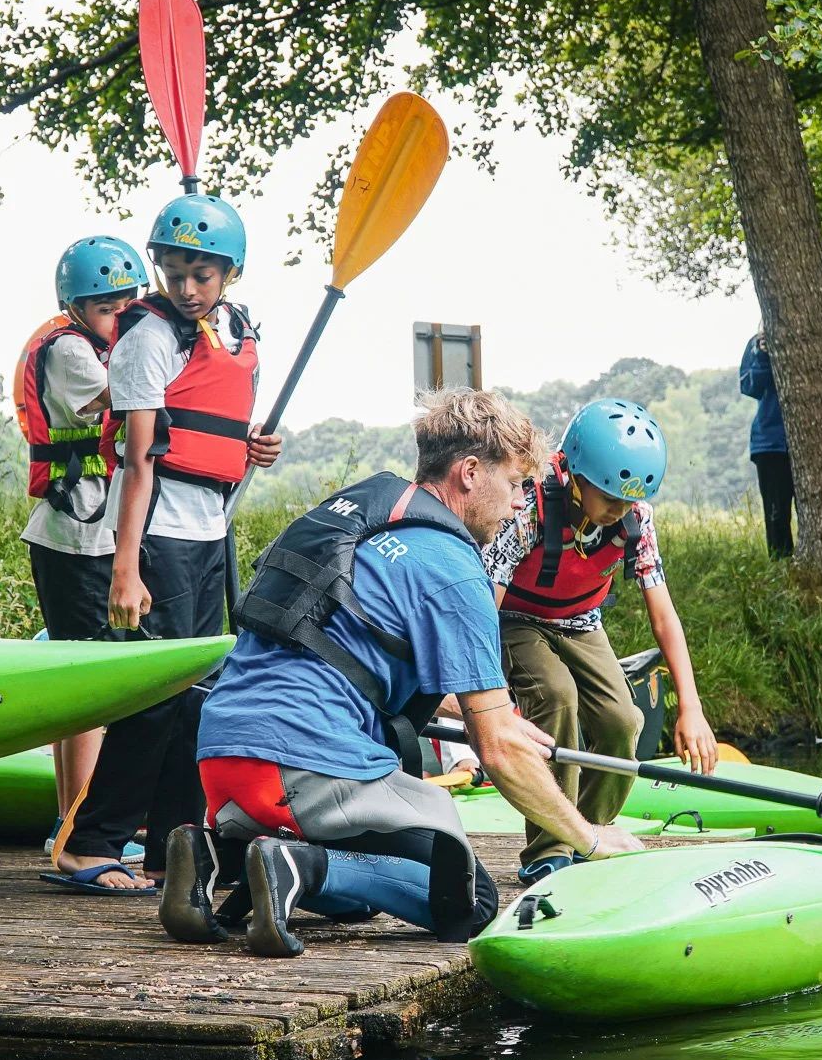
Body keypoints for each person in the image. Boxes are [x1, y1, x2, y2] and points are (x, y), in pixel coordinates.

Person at [159, 389, 646, 956]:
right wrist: (588, 839)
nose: (519, 503)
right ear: (469, 473)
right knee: (469, 898)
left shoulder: (354, 516)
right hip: (302, 767)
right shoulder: (456, 569)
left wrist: (503, 719)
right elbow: (499, 754)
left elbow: (347, 657)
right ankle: (298, 863)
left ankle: (214, 854)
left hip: (222, 760)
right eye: (514, 484)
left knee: (367, 886)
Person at [46, 193, 282, 894]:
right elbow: (139, 460)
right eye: (174, 272)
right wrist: (125, 567)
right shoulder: (149, 336)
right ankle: (87, 844)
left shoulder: (236, 331)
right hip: (159, 536)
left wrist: (254, 449)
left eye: (201, 275)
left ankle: (173, 850)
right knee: (156, 696)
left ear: (228, 275)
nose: (186, 288)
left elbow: (216, 426)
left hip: (212, 528)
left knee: (200, 697)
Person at [478, 397, 719, 884]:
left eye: (629, 501)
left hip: (580, 619)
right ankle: (548, 848)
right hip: (514, 620)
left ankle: (591, 832)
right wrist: (488, 695)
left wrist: (691, 707)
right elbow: (485, 606)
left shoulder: (636, 520)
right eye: (610, 498)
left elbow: (664, 617)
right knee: (557, 697)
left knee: (621, 719)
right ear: (574, 476)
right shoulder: (528, 508)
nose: (620, 511)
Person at [13, 235, 147, 865]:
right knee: (92, 688)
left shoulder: (93, 344)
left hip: (87, 533)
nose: (117, 318)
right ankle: (82, 829)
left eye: (127, 306)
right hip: (77, 535)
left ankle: (71, 822)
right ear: (77, 306)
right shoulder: (71, 351)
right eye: (105, 308)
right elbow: (129, 402)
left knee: (81, 686)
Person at [738, 331, 794, 558]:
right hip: (770, 443)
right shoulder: (756, 343)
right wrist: (763, 356)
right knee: (776, 513)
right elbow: (750, 388)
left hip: (809, 440)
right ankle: (782, 565)